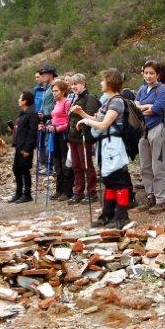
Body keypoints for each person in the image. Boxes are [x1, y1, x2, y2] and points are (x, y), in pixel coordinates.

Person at [76, 69, 133, 228]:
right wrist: (82, 115)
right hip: (106, 146)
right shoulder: (109, 101)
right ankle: (107, 214)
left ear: (110, 82)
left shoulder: (116, 102)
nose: (101, 83)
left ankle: (122, 216)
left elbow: (103, 125)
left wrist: (86, 122)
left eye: (103, 80)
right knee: (109, 180)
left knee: (118, 180)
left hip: (113, 146)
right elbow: (97, 119)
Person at [134, 60, 165, 214]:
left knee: (159, 165)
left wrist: (148, 108)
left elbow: (158, 107)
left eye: (151, 73)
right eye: (146, 73)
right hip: (144, 130)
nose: (148, 76)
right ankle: (151, 196)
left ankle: (162, 200)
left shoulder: (161, 89)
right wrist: (145, 107)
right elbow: (135, 105)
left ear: (157, 75)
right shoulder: (142, 89)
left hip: (157, 128)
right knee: (145, 166)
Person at [66, 74, 102, 205]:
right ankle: (78, 192)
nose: (74, 86)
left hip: (84, 137)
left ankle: (91, 192)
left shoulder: (90, 98)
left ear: (83, 84)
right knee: (76, 166)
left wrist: (80, 113)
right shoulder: (75, 98)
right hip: (73, 137)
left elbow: (93, 118)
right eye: (72, 84)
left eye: (77, 84)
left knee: (87, 166)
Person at [10, 90, 39, 203]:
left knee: (24, 170)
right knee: (16, 169)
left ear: (25, 101)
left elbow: (32, 132)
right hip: (19, 145)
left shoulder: (32, 114)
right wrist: (14, 129)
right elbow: (22, 129)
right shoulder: (23, 113)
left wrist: (28, 149)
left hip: (25, 147)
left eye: (20, 98)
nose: (18, 100)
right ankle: (18, 193)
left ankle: (27, 194)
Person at [49, 79, 73, 200]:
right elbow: (55, 118)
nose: (53, 93)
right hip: (55, 135)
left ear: (63, 91)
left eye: (56, 91)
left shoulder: (67, 102)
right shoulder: (56, 103)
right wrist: (49, 124)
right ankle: (59, 190)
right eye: (53, 91)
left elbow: (70, 122)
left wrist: (57, 128)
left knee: (65, 163)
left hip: (64, 135)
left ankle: (68, 191)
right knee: (57, 162)